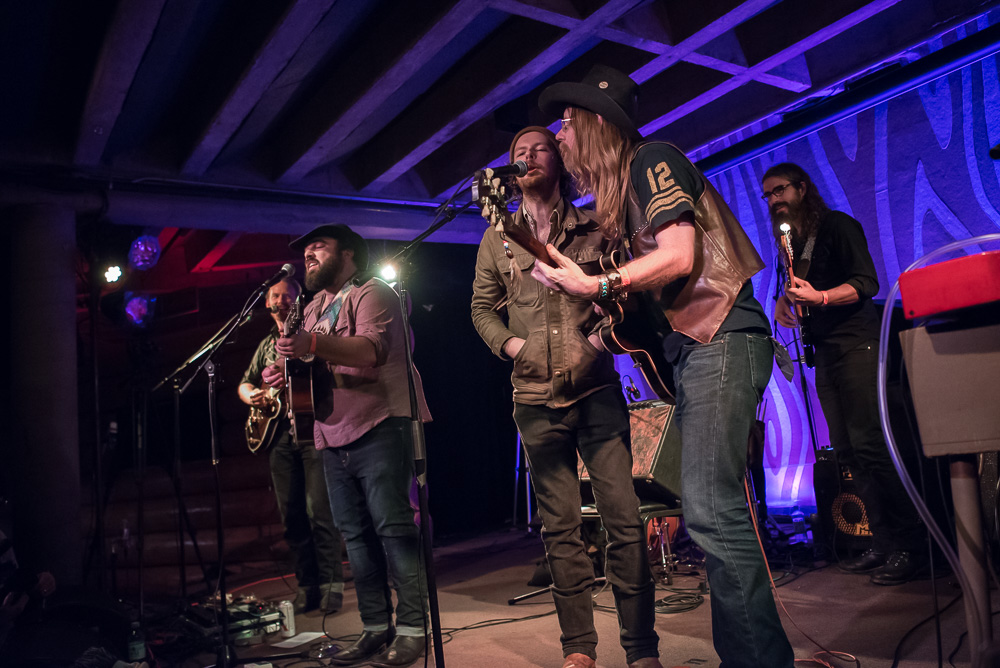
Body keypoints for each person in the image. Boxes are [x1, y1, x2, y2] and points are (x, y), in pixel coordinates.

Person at [533, 65, 795, 667]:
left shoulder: (654, 159)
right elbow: (641, 309)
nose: (560, 137)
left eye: (567, 123)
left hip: (722, 338)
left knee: (710, 508)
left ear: (596, 123)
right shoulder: (620, 199)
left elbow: (680, 256)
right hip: (696, 352)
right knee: (709, 510)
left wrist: (597, 282)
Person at [471, 127, 662, 668]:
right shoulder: (497, 238)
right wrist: (513, 345)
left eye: (539, 149)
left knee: (623, 523)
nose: (527, 158)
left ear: (560, 161)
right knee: (560, 529)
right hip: (533, 399)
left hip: (597, 390)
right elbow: (482, 308)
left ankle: (641, 649)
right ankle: (578, 648)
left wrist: (599, 337)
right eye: (517, 154)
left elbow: (626, 295)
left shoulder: (597, 226)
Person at [262, 224, 431, 667]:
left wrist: (310, 344)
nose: (309, 256)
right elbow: (308, 359)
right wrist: (284, 371)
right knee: (355, 538)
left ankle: (414, 630)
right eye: (306, 251)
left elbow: (371, 350)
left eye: (319, 247)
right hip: (331, 432)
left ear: (349, 253)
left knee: (394, 530)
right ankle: (376, 627)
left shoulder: (374, 292)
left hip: (379, 425)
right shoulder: (314, 305)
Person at [762, 162, 923, 585]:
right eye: (768, 195)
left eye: (780, 190)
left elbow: (866, 282)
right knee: (848, 454)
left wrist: (822, 297)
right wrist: (784, 302)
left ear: (802, 188)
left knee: (872, 447)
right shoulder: (791, 244)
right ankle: (884, 543)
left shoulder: (836, 226)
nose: (774, 200)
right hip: (827, 354)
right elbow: (800, 292)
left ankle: (912, 545)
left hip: (858, 346)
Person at [238, 277, 346, 614]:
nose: (281, 300)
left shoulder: (309, 329)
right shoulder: (266, 344)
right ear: (267, 303)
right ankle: (306, 586)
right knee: (292, 516)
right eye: (275, 295)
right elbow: (245, 382)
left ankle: (332, 586)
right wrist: (252, 395)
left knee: (320, 513)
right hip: (279, 437)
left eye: (288, 295)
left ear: (299, 302)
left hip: (311, 429)